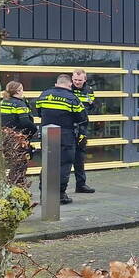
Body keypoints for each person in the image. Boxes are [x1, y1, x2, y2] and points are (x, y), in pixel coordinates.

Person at [35, 74, 88, 204]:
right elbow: (82, 118)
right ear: (69, 84)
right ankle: (59, 195)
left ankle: (44, 195)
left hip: (47, 134)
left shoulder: (44, 94)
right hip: (65, 136)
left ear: (57, 83)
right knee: (64, 164)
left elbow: (38, 112)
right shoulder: (72, 98)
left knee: (47, 164)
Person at [70, 68, 96, 194]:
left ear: (85, 79)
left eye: (80, 80)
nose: (77, 82)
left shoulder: (89, 90)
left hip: (82, 127)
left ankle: (81, 184)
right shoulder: (67, 89)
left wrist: (89, 108)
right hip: (69, 126)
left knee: (80, 156)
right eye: (75, 79)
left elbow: (92, 106)